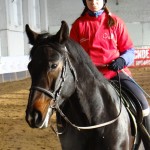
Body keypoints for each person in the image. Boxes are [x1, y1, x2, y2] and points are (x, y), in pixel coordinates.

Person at [70, 0, 150, 147]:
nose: (94, 2)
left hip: (115, 72)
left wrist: (122, 60)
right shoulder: (78, 25)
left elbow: (129, 51)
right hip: (89, 78)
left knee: (143, 104)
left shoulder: (116, 22)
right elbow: (73, 56)